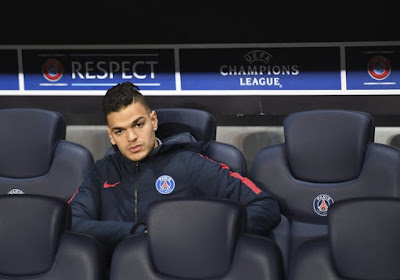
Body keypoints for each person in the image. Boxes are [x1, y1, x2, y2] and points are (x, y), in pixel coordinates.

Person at [69, 81, 281, 262]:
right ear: (111, 136)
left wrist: (210, 233)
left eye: (138, 125)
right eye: (120, 131)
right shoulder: (102, 172)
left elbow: (265, 206)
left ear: (153, 121)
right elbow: (70, 222)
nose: (131, 137)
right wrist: (138, 232)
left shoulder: (188, 163)